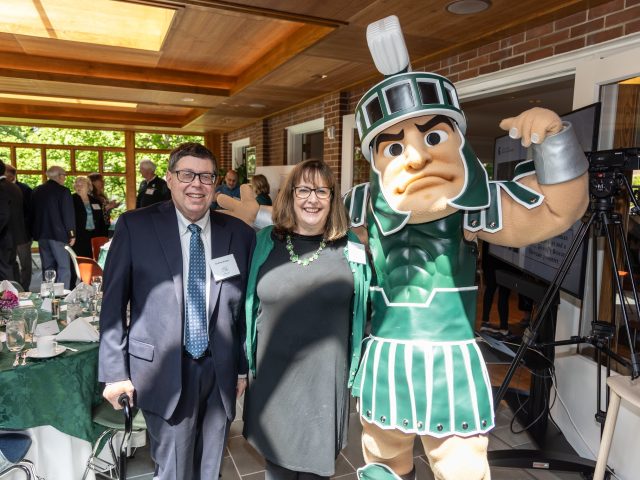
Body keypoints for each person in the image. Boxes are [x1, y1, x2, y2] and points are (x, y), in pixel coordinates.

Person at [219, 16, 589, 480]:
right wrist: (257, 215)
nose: (415, 156)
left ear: (455, 139)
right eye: (394, 148)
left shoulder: (470, 204)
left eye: (432, 137)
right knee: (384, 466)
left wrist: (555, 141)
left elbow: (558, 209)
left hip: (449, 366)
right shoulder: (363, 204)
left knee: (460, 470)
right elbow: (311, 220)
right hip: (386, 363)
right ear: (375, 159)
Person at [99, 142, 255, 479]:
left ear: (215, 184)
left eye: (206, 176)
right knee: (172, 469)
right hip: (160, 370)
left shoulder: (240, 235)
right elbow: (112, 304)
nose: (196, 184)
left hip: (220, 371)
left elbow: (241, 309)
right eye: (187, 174)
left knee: (211, 466)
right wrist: (114, 373)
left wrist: (241, 369)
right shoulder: (134, 227)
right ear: (169, 179)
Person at [243, 159, 370, 480]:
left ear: (332, 198)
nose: (312, 199)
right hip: (273, 381)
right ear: (290, 195)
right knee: (277, 470)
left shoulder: (352, 247)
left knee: (316, 472)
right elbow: (243, 306)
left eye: (321, 191)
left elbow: (368, 310)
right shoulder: (264, 242)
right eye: (303, 190)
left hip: (324, 385)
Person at [31, 166, 75, 289]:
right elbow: (68, 214)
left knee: (47, 267)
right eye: (65, 175)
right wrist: (71, 233)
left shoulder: (36, 191)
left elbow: (32, 214)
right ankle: (62, 296)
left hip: (42, 235)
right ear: (60, 176)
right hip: (58, 235)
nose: (65, 178)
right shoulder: (63, 191)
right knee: (64, 267)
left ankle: (47, 296)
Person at [4, 164, 33, 290]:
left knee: (25, 262)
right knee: (10, 262)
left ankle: (24, 288)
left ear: (10, 175)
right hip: (6, 234)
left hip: (23, 234)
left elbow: (31, 211)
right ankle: (14, 286)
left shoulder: (25, 189)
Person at [0, 160, 26, 282]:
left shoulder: (2, 187)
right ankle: (16, 294)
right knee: (11, 265)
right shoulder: (13, 186)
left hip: (4, 236)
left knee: (4, 269)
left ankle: (10, 297)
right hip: (13, 235)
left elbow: (3, 214)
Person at [71, 176, 108, 258]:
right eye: (77, 185)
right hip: (79, 236)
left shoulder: (96, 201)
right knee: (79, 259)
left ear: (89, 187)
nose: (78, 187)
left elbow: (101, 219)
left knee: (94, 257)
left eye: (81, 185)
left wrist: (103, 235)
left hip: (94, 234)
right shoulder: (71, 200)